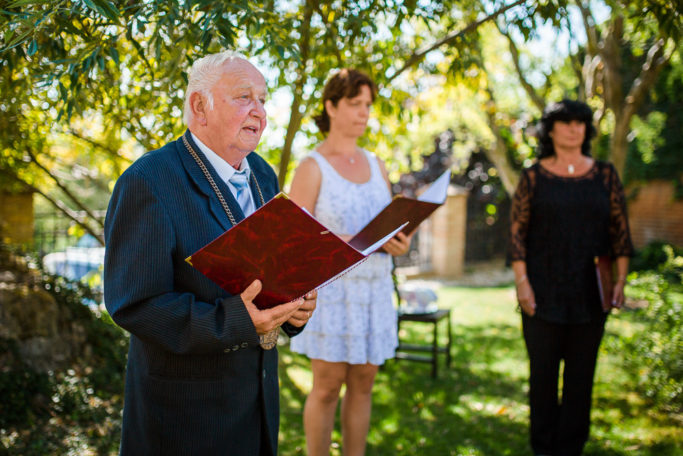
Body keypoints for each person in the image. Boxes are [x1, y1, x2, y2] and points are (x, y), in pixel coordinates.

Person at [103, 51, 317, 456]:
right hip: (185, 417)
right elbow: (133, 304)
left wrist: (295, 307)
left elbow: (267, 272)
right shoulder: (148, 181)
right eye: (244, 97)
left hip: (256, 406)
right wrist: (236, 321)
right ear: (199, 106)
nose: (260, 111)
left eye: (263, 99)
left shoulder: (264, 175)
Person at [288, 68, 412, 456]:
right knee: (325, 389)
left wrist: (398, 243)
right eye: (355, 104)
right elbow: (294, 240)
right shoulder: (311, 166)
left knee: (364, 385)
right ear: (331, 106)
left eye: (368, 105)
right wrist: (360, 242)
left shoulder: (378, 165)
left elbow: (389, 225)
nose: (364, 112)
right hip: (330, 293)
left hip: (374, 290)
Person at [509, 99, 634, 456]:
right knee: (542, 381)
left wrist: (621, 281)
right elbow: (517, 234)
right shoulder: (533, 177)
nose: (574, 128)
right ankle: (543, 448)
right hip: (541, 293)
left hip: (590, 295)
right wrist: (522, 283)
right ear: (550, 129)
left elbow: (620, 231)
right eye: (565, 122)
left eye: (580, 122)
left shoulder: (605, 175)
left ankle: (571, 449)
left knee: (581, 382)